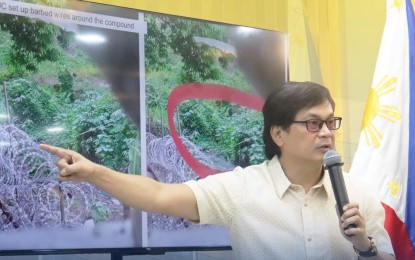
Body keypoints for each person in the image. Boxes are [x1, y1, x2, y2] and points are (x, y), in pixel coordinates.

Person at [40, 81, 395, 259]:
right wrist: (93, 172)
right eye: (314, 124)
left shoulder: (358, 194)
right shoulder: (241, 189)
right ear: (278, 134)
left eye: (331, 122)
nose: (328, 133)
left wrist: (364, 246)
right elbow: (160, 194)